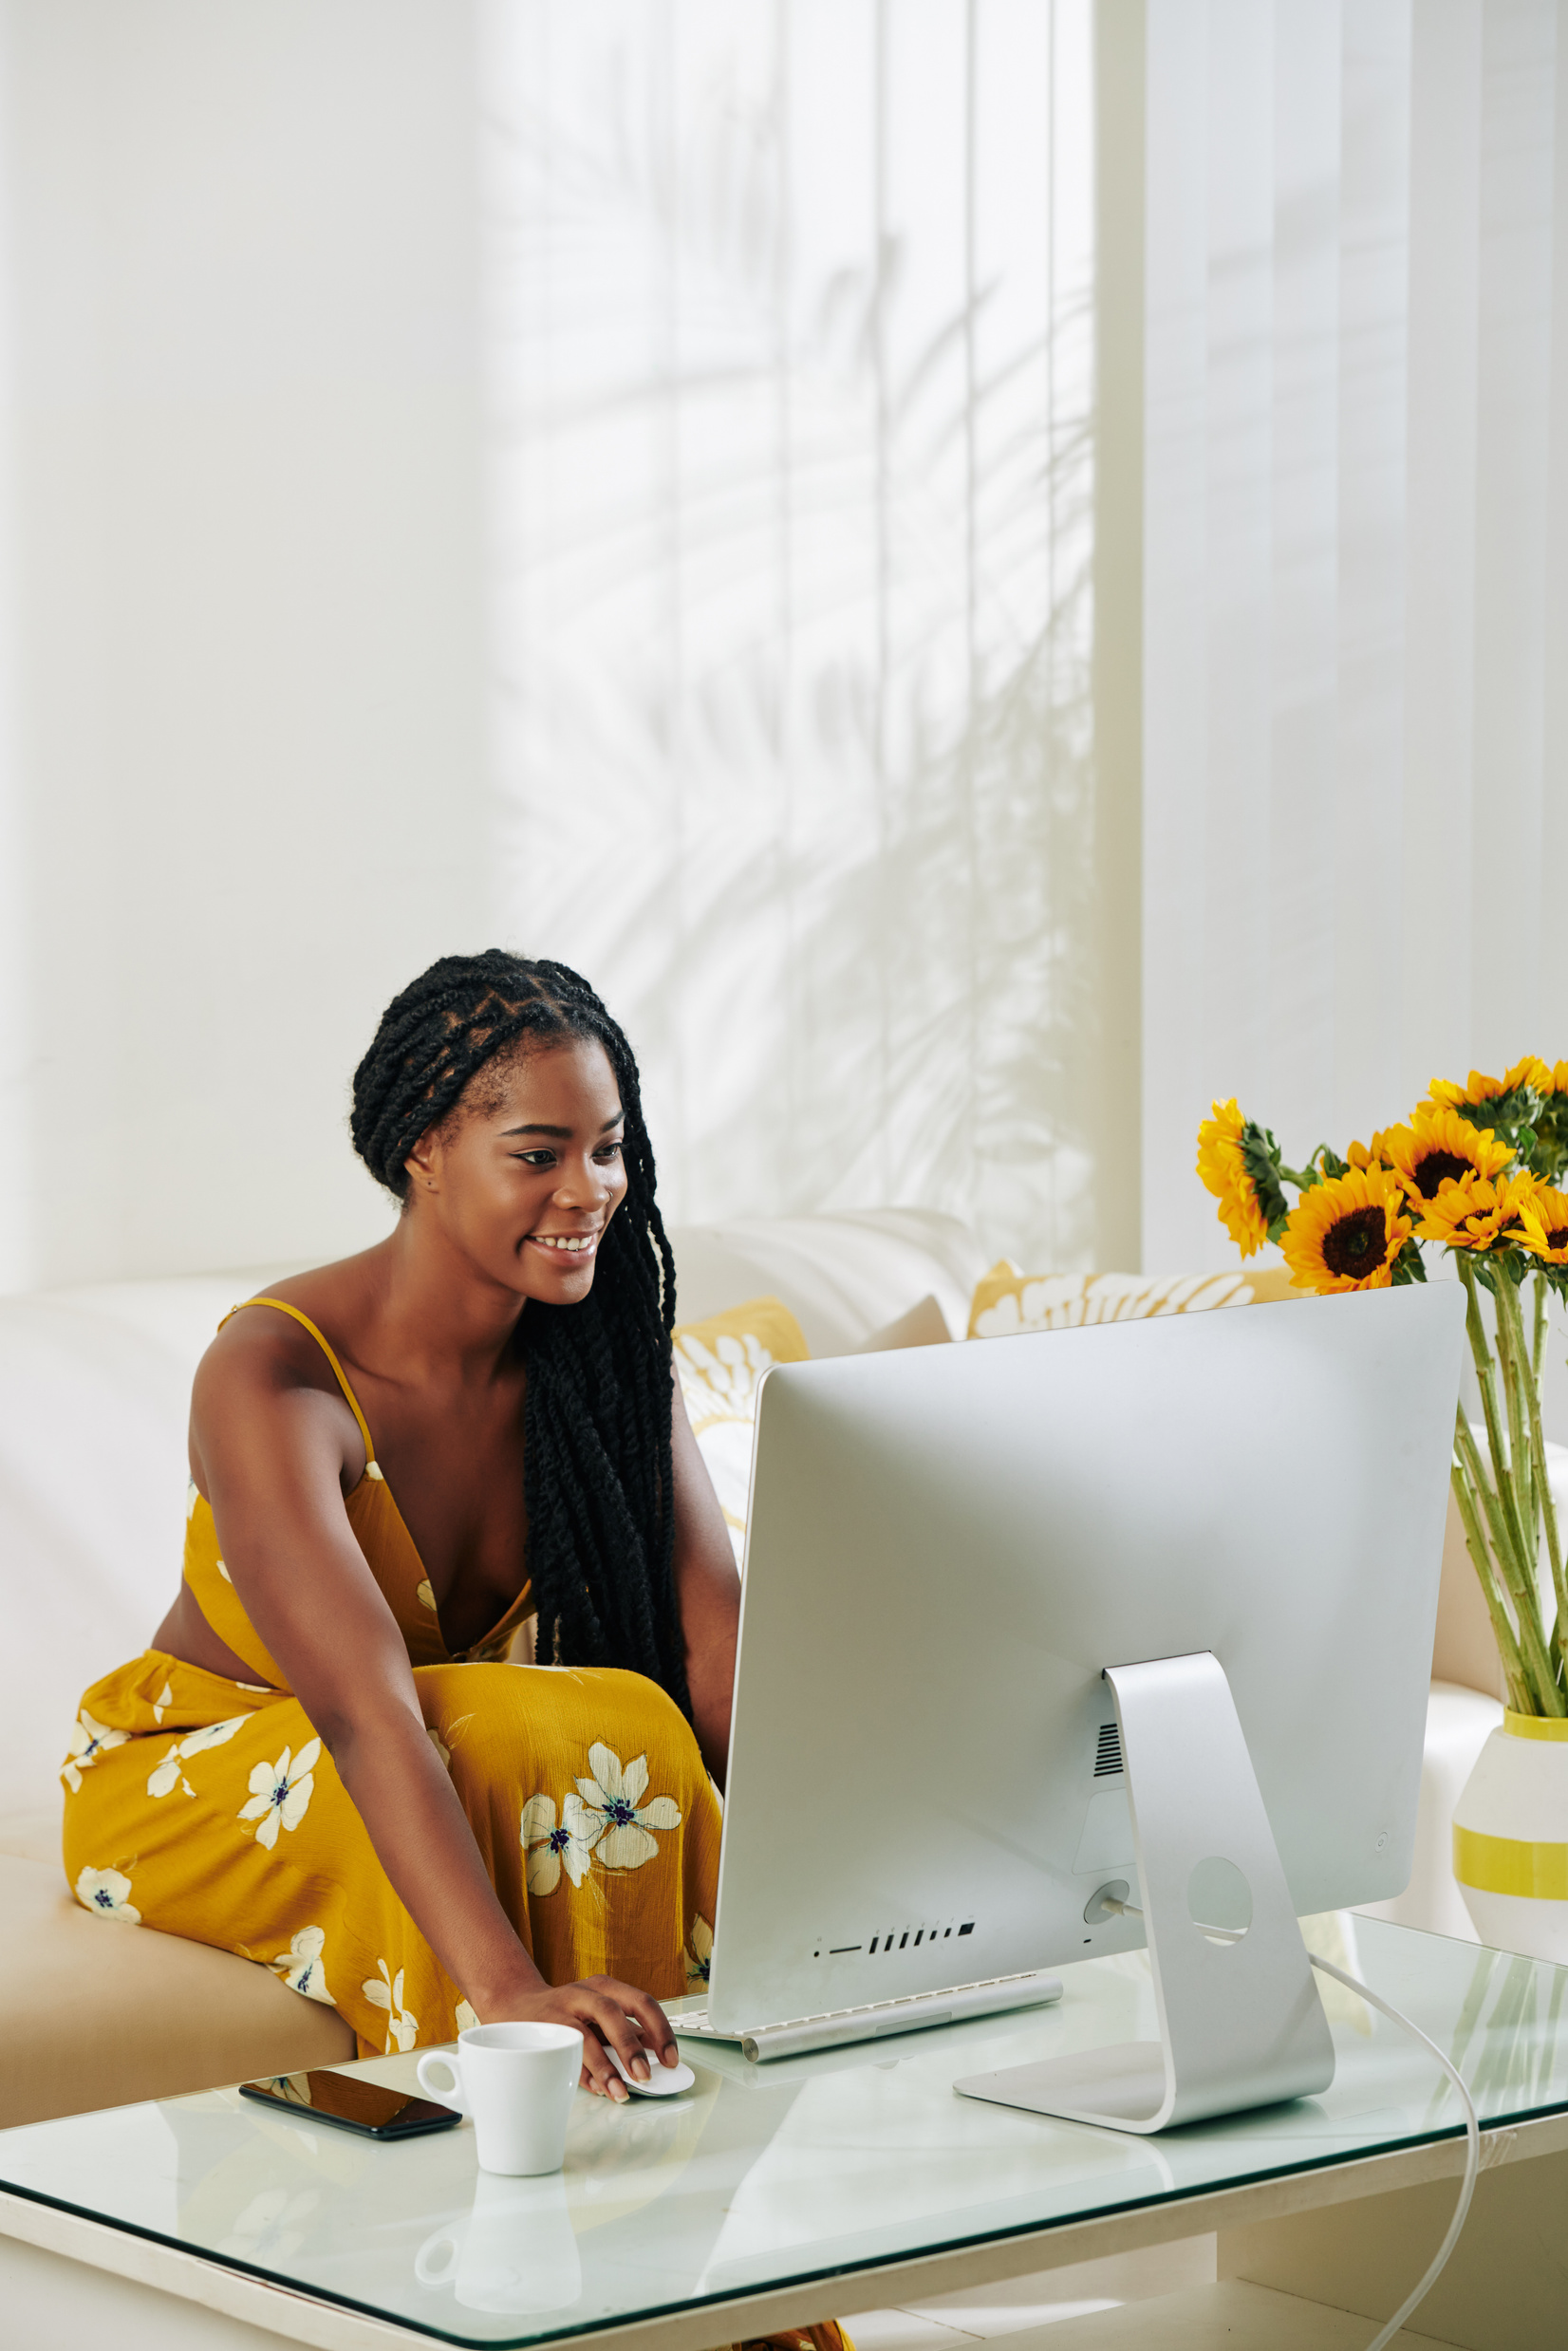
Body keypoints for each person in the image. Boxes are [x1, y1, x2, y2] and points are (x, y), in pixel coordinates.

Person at [62, 951, 740, 2103]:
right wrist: (509, 1994)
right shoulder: (273, 1373)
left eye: (607, 1148)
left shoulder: (607, 1371)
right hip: (200, 1779)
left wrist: (860, 1907)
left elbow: (715, 1662)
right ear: (424, 1149)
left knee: (615, 1717)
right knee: (503, 1730)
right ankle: (503, 2156)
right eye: (538, 1154)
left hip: (439, 1744)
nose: (590, 1190)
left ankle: (680, 2165)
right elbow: (365, 1714)